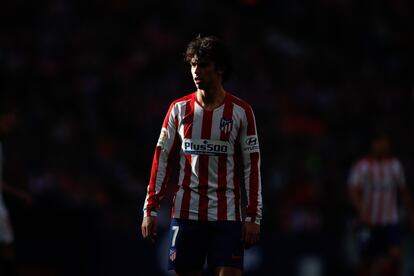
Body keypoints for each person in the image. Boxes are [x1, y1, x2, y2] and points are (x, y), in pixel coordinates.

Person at [141, 35, 262, 276]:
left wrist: (253, 216)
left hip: (226, 216)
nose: (196, 71)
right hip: (187, 215)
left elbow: (252, 167)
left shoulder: (241, 112)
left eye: (203, 65)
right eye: (193, 64)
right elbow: (161, 158)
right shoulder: (178, 109)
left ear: (220, 69)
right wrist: (150, 210)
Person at [348, 133, 414, 276]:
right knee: (366, 259)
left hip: (390, 220)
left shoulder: (395, 165)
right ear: (373, 145)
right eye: (379, 144)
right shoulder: (363, 165)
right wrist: (362, 212)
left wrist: (411, 214)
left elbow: (403, 192)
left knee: (396, 255)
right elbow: (353, 191)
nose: (382, 147)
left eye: (385, 144)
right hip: (368, 221)